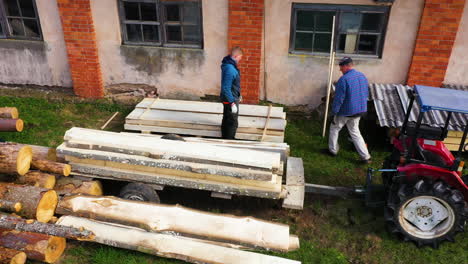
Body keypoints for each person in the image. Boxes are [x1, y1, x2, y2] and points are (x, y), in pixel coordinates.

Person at [327, 57, 371, 164]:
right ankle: (365, 157)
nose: (340, 70)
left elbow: (339, 99)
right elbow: (366, 93)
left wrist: (334, 112)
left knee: (334, 128)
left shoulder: (344, 80)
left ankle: (333, 151)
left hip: (346, 111)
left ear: (346, 66)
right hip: (360, 110)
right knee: (355, 132)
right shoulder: (362, 76)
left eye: (341, 67)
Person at [220, 47, 243, 139]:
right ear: (236, 56)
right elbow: (226, 87)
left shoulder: (230, 66)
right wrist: (232, 102)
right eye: (240, 57)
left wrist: (239, 94)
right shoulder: (230, 69)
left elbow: (233, 84)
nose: (240, 60)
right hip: (230, 99)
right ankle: (229, 140)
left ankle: (225, 138)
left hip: (231, 97)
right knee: (232, 121)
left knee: (227, 118)